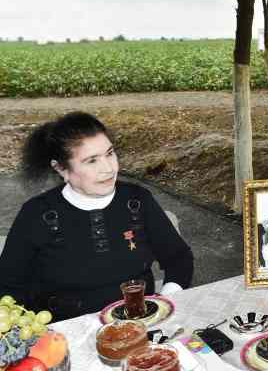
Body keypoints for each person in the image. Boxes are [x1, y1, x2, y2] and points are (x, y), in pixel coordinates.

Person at [0, 112, 194, 321]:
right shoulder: (36, 214)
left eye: (110, 154)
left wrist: (162, 305)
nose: (108, 168)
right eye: (92, 161)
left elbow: (179, 259)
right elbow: (8, 288)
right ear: (61, 168)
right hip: (66, 334)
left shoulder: (137, 201)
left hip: (140, 323)